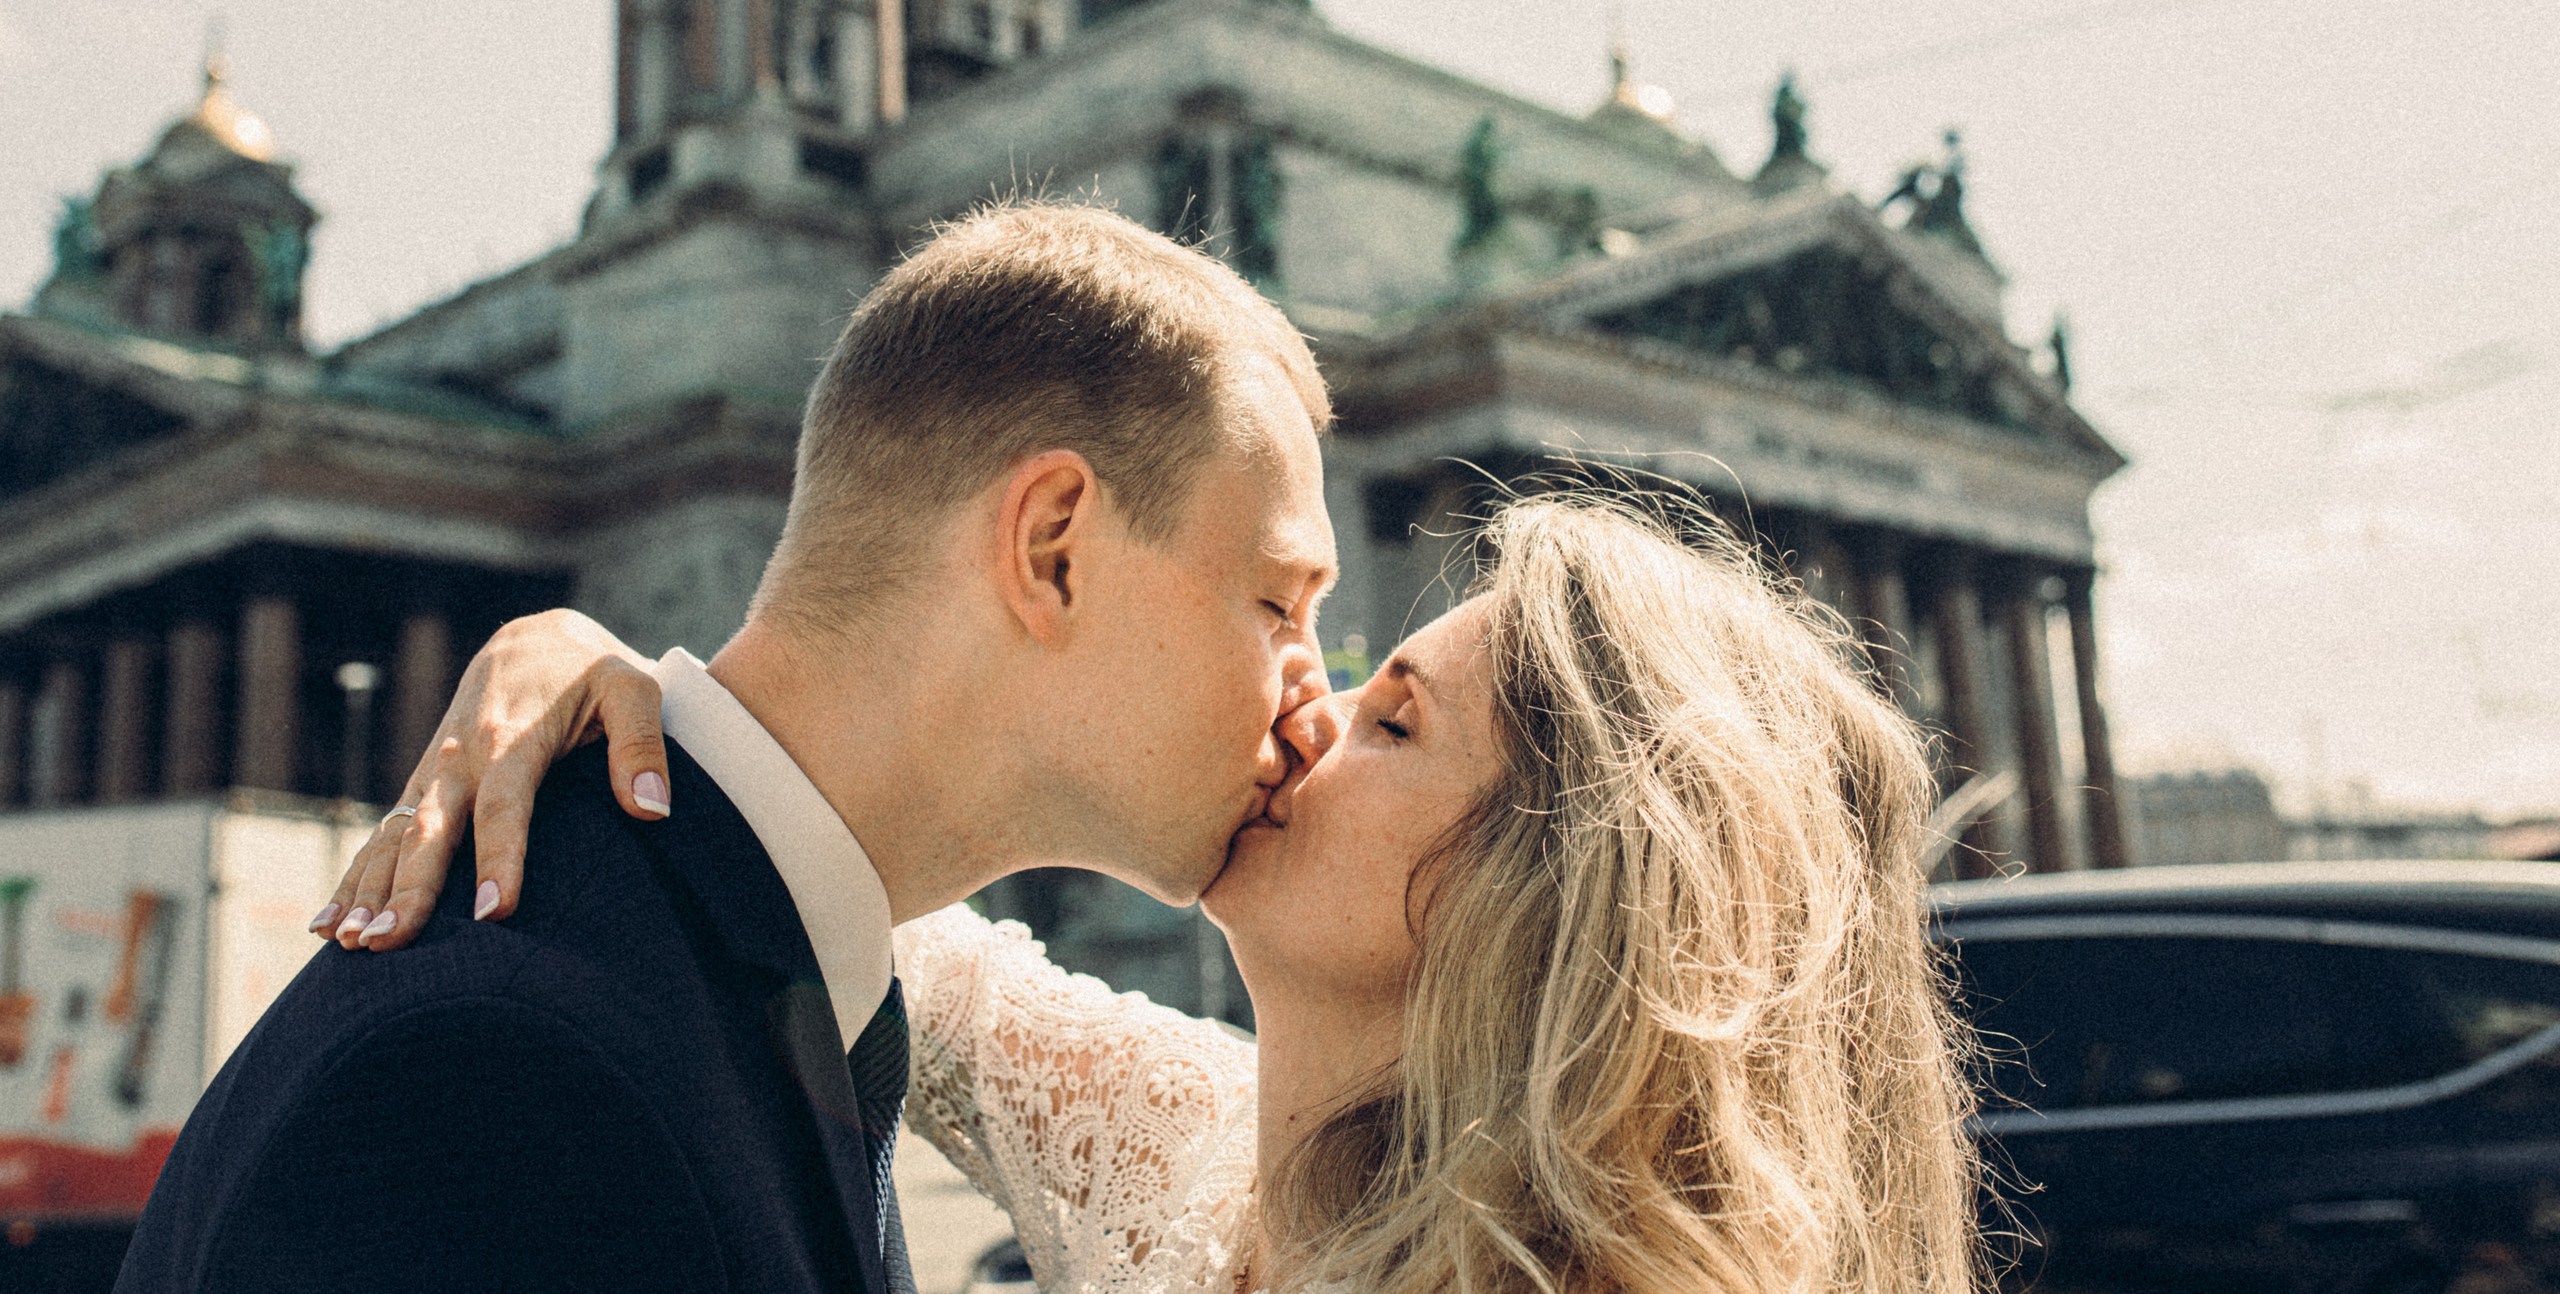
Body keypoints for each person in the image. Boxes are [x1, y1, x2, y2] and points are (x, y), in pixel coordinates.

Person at [115, 203, 1338, 1294]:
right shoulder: (512, 1076)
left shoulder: (739, 972)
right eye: (1279, 603)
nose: (1314, 697)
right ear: (1052, 549)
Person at [329, 496, 1984, 1294]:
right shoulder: (1192, 1145)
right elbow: (860, 900)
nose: (1305, 710)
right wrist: (596, 668)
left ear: (1548, 896)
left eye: (1393, 717)